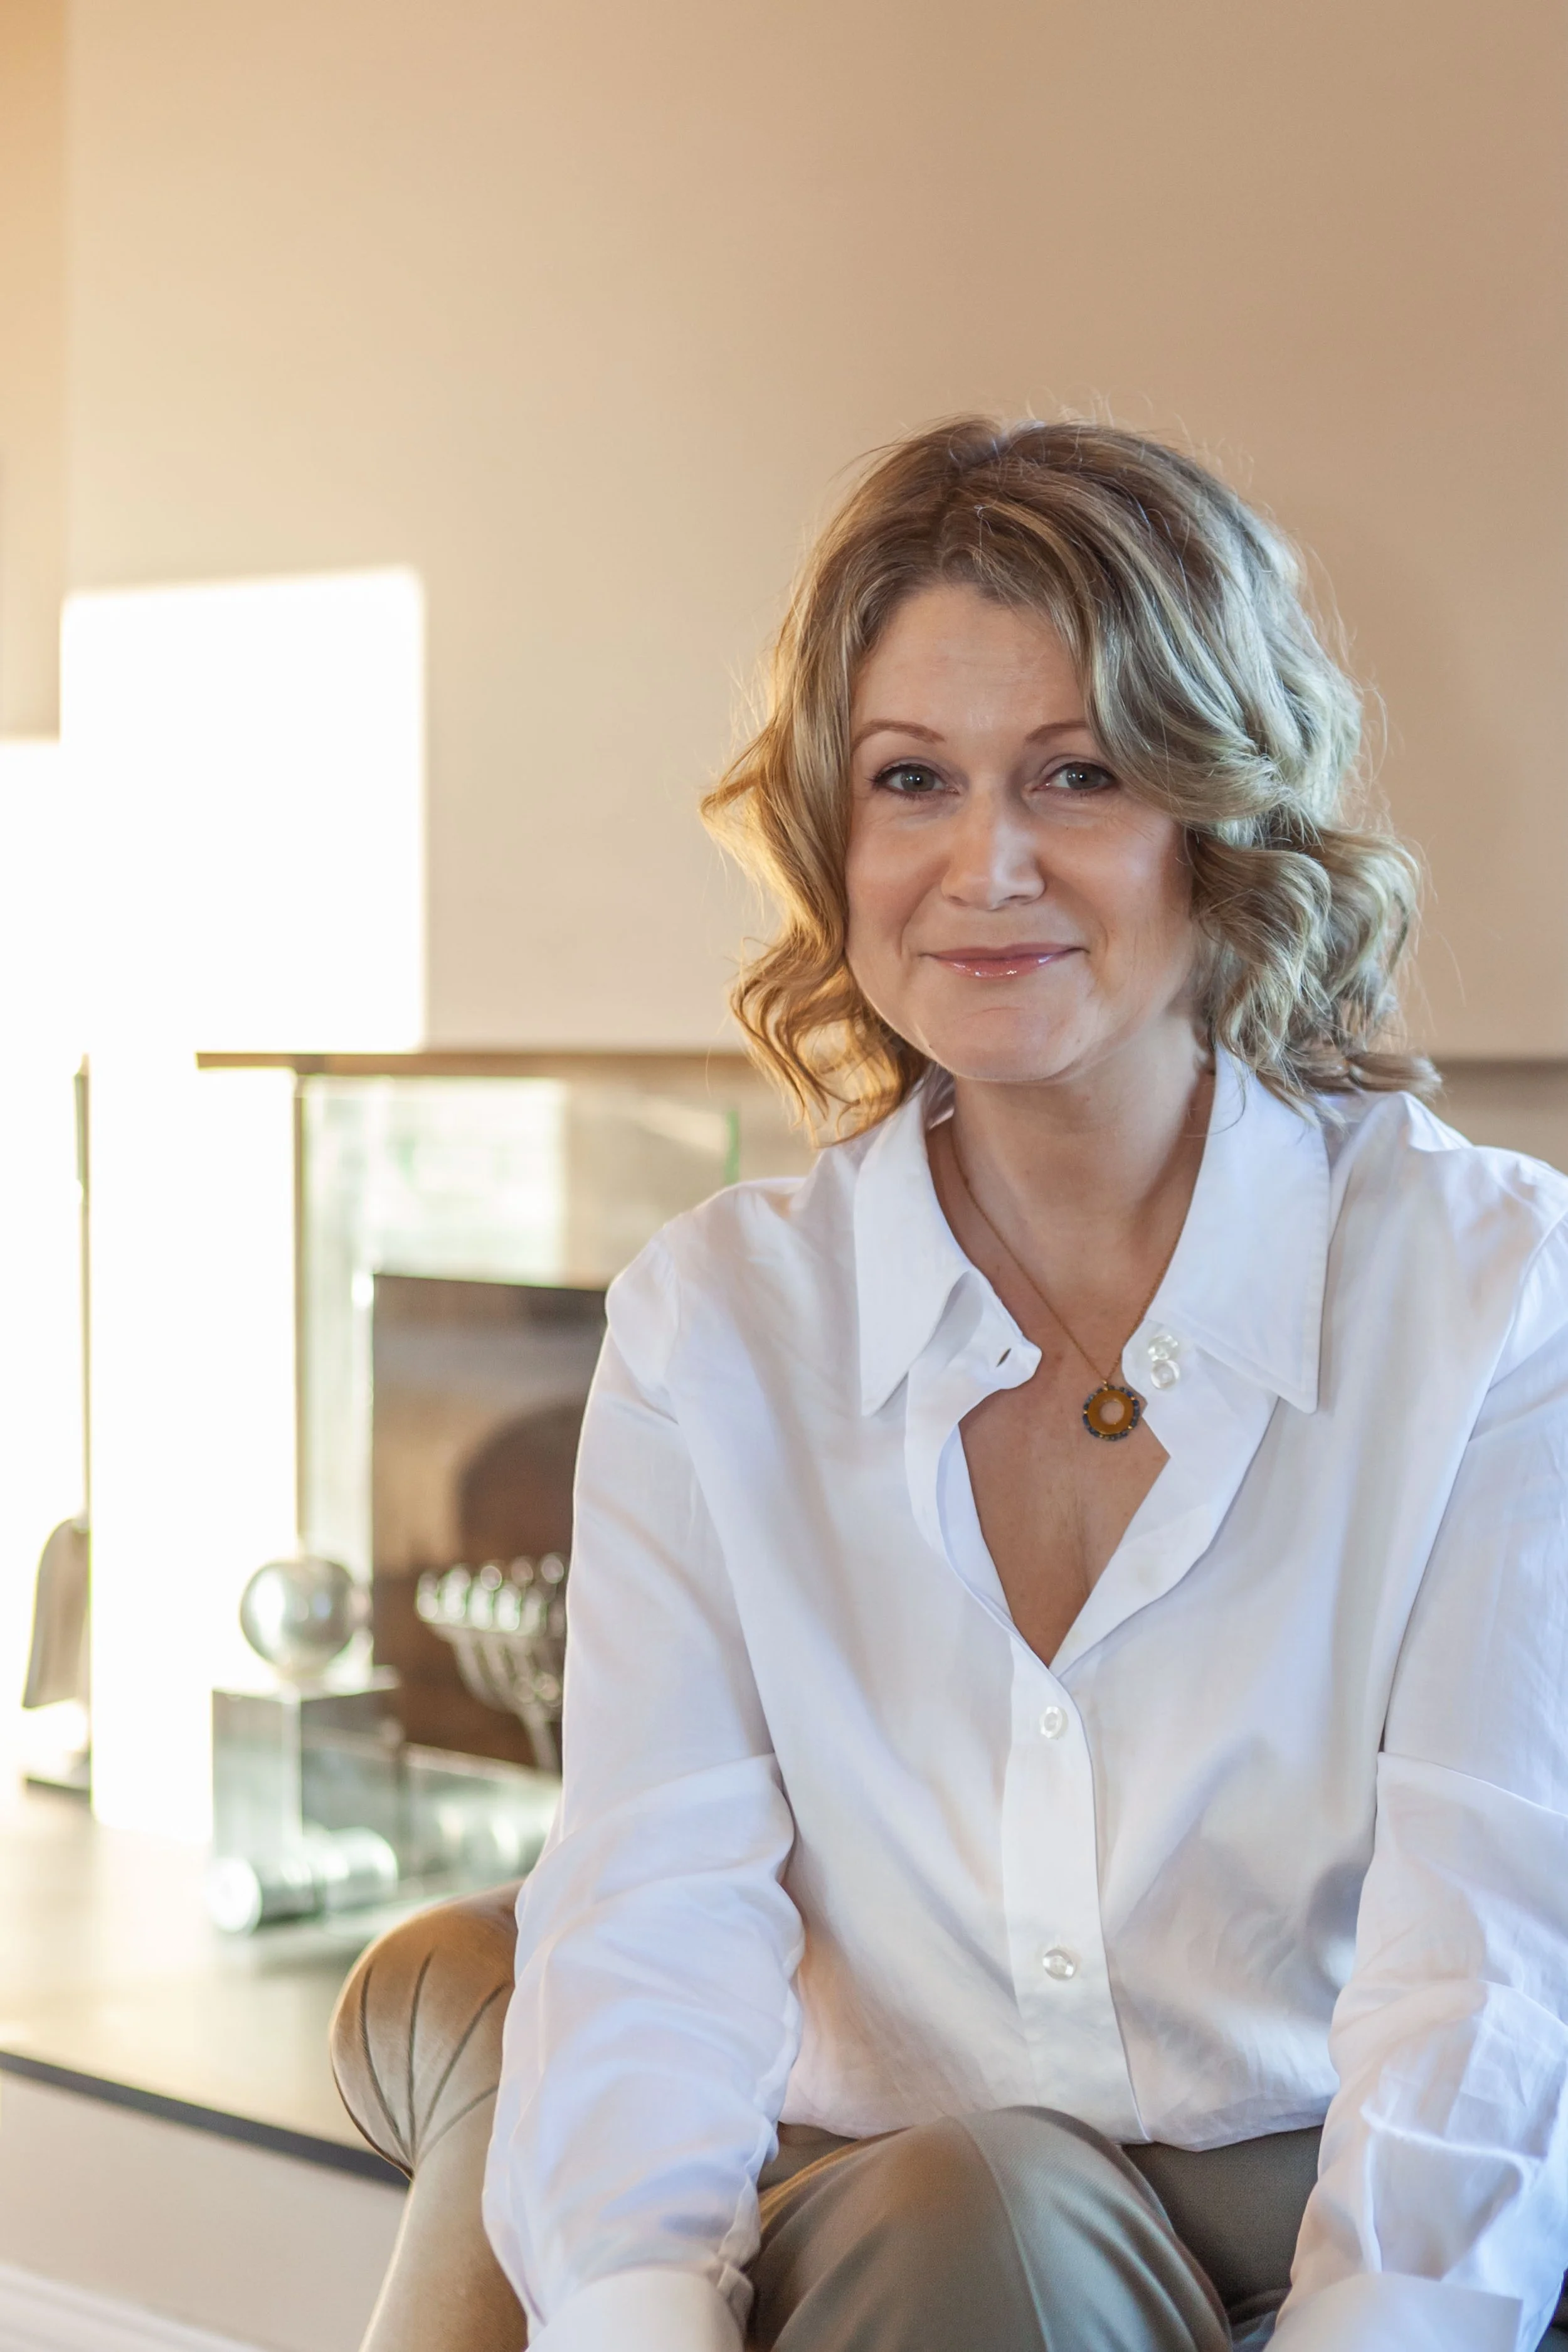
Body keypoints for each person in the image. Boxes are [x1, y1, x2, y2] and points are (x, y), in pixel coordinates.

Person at [482, 419, 1568, 2350]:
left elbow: (1483, 1952)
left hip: (1351, 2213)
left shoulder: (1488, 1291)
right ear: (834, 834)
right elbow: (650, 1919)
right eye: (910, 778)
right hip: (898, 2246)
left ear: (1218, 816)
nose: (983, 865)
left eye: (1078, 772)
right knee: (970, 2208)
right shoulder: (710, 1327)